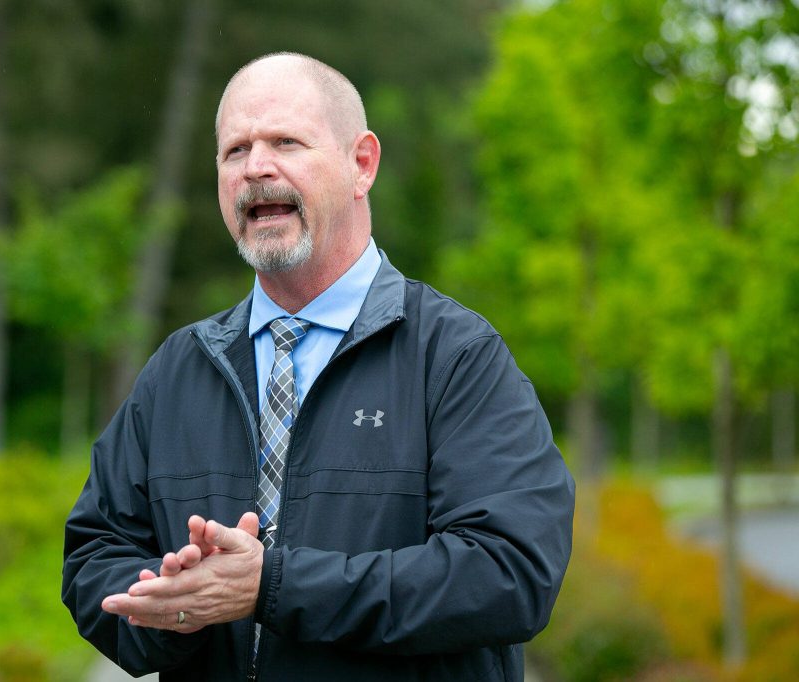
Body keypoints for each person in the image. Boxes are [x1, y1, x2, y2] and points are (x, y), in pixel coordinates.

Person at [62, 52, 575, 682]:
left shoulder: (455, 356)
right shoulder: (179, 369)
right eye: (235, 151)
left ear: (362, 165)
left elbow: (510, 574)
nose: (256, 168)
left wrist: (273, 586)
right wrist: (168, 608)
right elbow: (94, 553)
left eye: (285, 142)